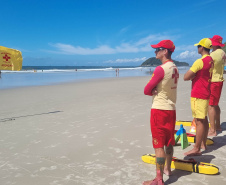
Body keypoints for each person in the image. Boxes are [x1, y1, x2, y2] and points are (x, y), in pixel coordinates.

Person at [143, 40, 179, 185]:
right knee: (169, 142)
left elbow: (146, 90)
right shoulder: (174, 67)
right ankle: (168, 169)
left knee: (158, 145)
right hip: (171, 109)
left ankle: (159, 179)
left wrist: (152, 90)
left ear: (165, 51)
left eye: (158, 49)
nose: (155, 51)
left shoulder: (160, 69)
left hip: (159, 110)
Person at [184, 38, 214, 156]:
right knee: (204, 119)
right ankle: (202, 143)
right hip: (206, 91)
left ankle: (196, 148)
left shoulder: (200, 61)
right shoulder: (211, 59)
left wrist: (193, 76)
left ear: (202, 48)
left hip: (198, 93)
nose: (197, 48)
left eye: (198, 46)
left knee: (199, 120)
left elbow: (186, 77)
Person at [208, 35, 226, 136]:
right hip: (219, 79)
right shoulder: (223, 53)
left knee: (210, 106)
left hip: (213, 80)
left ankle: (213, 130)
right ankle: (218, 126)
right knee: (215, 104)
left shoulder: (213, 55)